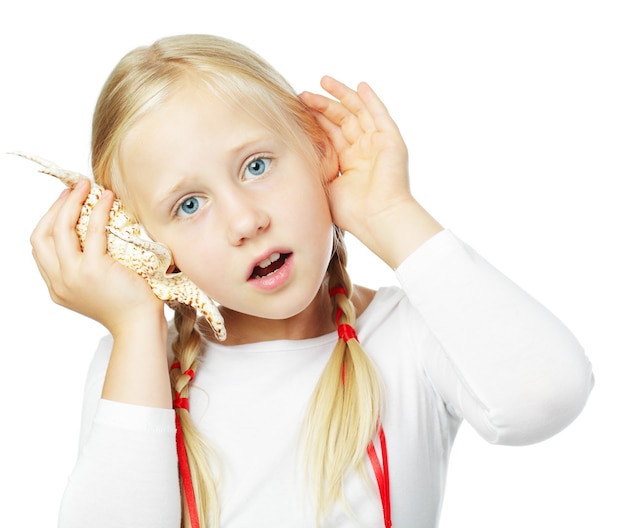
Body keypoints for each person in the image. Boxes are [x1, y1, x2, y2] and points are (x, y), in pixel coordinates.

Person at [30, 34, 594, 528]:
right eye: (190, 204)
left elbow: (546, 397)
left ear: (318, 150)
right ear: (147, 243)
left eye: (256, 166)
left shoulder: (407, 337)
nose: (246, 221)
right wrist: (133, 327)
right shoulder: (141, 363)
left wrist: (388, 212)